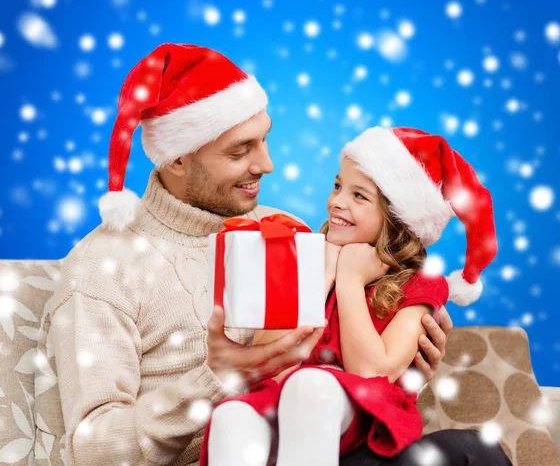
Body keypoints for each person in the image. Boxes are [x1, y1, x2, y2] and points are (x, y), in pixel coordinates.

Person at [47, 43, 502, 466]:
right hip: (235, 444)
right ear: (178, 158)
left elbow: (340, 369)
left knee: (470, 453)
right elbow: (92, 449)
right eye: (240, 151)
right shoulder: (102, 269)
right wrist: (214, 380)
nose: (266, 165)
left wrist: (407, 369)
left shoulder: (288, 230)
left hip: (313, 438)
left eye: (264, 140)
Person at [200, 126, 512, 466]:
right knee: (233, 416)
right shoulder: (305, 258)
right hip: (285, 407)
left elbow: (370, 372)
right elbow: (270, 366)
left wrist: (349, 278)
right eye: (337, 186)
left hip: (363, 416)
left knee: (310, 385)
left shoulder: (422, 284)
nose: (336, 201)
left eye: (358, 196)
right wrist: (320, 279)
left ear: (398, 218)